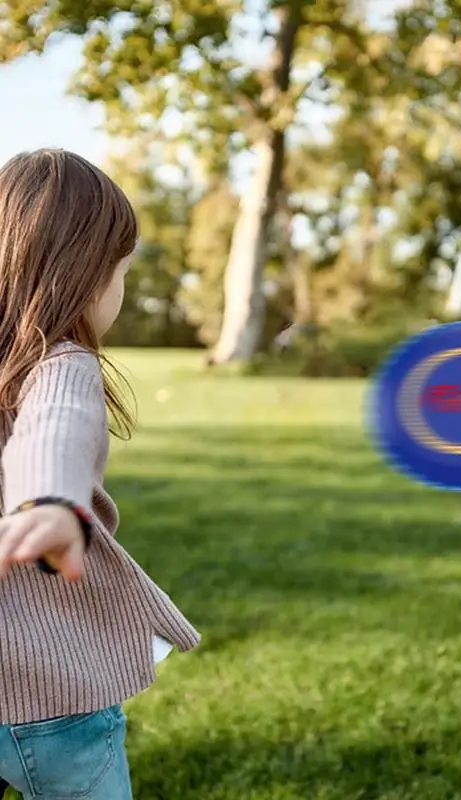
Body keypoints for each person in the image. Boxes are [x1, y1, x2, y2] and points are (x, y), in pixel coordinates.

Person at [0, 149, 200, 798]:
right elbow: (54, 427)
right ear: (89, 276)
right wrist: (50, 501)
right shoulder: (61, 362)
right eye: (123, 273)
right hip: (52, 693)